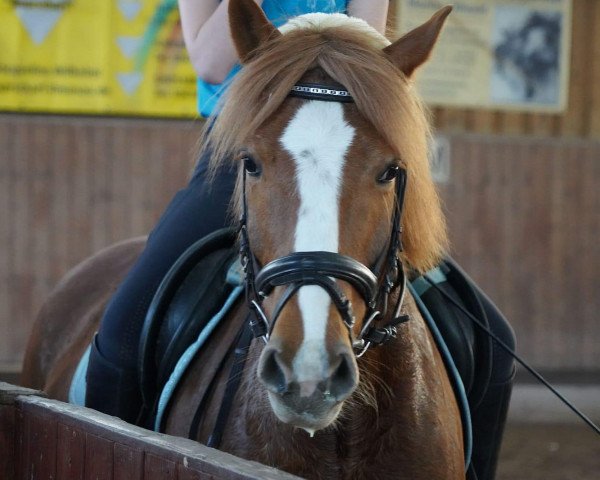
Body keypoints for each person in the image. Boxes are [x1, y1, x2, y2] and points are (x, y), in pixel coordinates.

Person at [85, 2, 514, 479]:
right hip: (248, 147)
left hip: (349, 145)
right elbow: (209, 61)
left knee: (493, 341)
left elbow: (365, 55)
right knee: (124, 331)